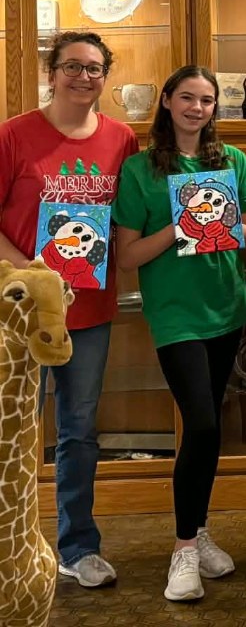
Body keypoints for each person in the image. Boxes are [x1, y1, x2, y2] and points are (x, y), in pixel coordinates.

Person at [113, 65, 246, 602]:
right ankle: (182, 550)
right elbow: (127, 257)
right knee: (199, 423)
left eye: (207, 100)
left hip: (228, 307)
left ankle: (198, 531)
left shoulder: (234, 162)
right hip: (175, 315)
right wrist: (181, 226)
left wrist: (244, 226)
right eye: (187, 98)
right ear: (168, 103)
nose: (197, 108)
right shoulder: (139, 171)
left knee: (211, 424)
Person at [0, 31, 138, 588]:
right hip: (20, 313)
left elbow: (131, 213)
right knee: (15, 429)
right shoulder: (14, 135)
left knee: (78, 430)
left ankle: (76, 546)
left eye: (95, 68)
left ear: (105, 77)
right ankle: (13, 543)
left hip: (89, 310)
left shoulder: (122, 138)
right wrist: (31, 272)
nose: (84, 76)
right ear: (51, 73)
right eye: (72, 66)